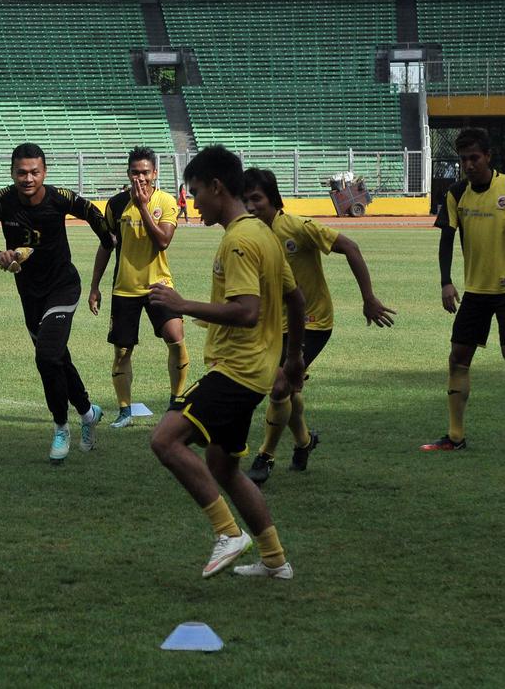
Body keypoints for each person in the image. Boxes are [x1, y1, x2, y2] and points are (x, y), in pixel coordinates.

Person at [147, 146, 305, 580]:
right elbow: (295, 297)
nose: (192, 204)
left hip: (237, 370)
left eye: (196, 193)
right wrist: (291, 357)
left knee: (165, 440)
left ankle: (227, 532)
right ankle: (275, 560)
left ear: (217, 187)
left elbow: (247, 311)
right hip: (256, 370)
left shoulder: (238, 240)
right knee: (223, 466)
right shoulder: (264, 235)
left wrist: (183, 304)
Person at [241, 168, 395, 484]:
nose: (251, 206)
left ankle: (265, 456)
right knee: (289, 388)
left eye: (256, 198)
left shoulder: (298, 227)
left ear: (272, 198)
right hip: (273, 325)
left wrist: (368, 298)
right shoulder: (250, 235)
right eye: (245, 200)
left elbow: (350, 246)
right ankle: (304, 442)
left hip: (313, 322)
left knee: (280, 385)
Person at [0, 143, 115, 463]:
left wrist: (108, 240)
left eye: (35, 172)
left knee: (47, 356)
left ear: (44, 173)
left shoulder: (59, 198)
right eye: (22, 172)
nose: (28, 178)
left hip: (63, 287)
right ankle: (89, 414)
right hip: (30, 296)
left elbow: (91, 211)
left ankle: (61, 426)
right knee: (57, 357)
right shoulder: (3, 201)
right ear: (12, 173)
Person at [88, 147, 189, 429]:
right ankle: (124, 411)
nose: (140, 178)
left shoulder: (167, 202)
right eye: (135, 172)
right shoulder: (116, 204)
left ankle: (176, 404)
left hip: (159, 286)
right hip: (125, 289)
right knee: (122, 352)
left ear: (155, 173)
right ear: (128, 173)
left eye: (145, 172)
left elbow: (163, 242)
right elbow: (107, 245)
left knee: (176, 340)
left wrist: (143, 206)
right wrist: (94, 286)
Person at [422, 127, 505, 451]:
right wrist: (446, 281)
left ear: (488, 156)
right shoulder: (457, 193)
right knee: (457, 359)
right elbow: (446, 240)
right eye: (463, 159)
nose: (468, 165)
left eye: (474, 158)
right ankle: (455, 436)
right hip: (476, 292)